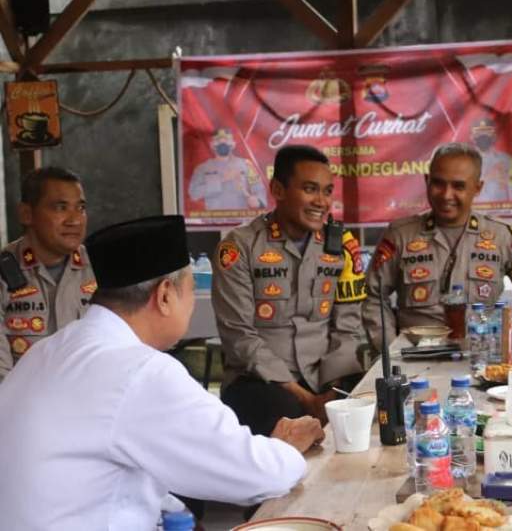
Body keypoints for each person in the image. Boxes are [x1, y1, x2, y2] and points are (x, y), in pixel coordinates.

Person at [0, 215, 323, 530]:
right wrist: (287, 446)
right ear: (165, 295)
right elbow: (254, 474)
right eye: (191, 290)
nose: (193, 303)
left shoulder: (48, 351)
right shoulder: (141, 372)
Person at [212, 144, 366, 437]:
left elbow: (347, 326)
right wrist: (306, 399)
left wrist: (333, 392)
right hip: (261, 381)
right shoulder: (239, 247)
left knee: (370, 406)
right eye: (310, 189)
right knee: (289, 419)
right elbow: (239, 335)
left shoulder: (341, 246)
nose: (321, 201)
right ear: (278, 190)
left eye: (327, 191)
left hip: (325, 375)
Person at [363, 142, 512, 351]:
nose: (446, 195)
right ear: (426, 180)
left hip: (482, 357)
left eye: (458, 186)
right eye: (438, 183)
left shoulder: (503, 236)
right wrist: (390, 350)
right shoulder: (400, 235)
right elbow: (372, 295)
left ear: (477, 188)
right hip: (414, 358)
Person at [0, 166, 95, 382]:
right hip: (21, 399)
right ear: (26, 214)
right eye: (61, 207)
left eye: (80, 208)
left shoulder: (99, 268)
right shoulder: (4, 272)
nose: (75, 220)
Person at [188, 128, 268, 211]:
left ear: (233, 144)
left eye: (226, 140)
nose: (223, 143)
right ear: (212, 145)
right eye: (218, 140)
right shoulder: (202, 168)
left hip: (240, 217)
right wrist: (221, 179)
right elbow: (194, 193)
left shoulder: (246, 165)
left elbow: (259, 188)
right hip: (214, 217)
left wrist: (258, 201)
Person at [470, 118, 512, 204]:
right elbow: (461, 188)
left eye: (487, 132)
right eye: (479, 133)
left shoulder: (506, 160)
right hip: (473, 210)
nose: (483, 136)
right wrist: (487, 177)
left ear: (494, 136)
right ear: (472, 137)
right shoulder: (464, 161)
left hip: (500, 210)